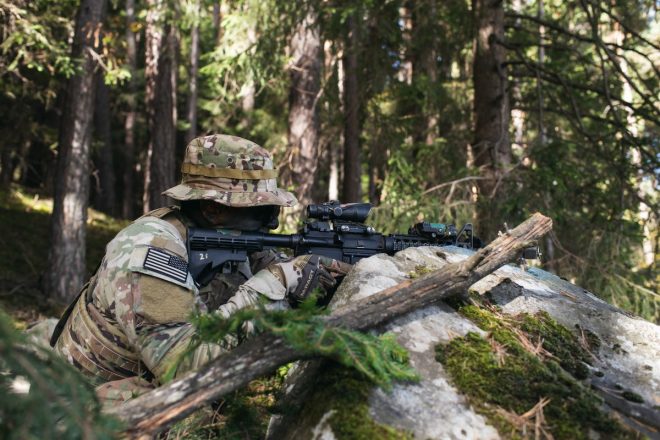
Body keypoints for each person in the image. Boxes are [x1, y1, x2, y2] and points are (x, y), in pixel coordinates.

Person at [51, 134, 348, 406]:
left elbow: (283, 272)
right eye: (261, 210)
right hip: (78, 413)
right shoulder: (149, 248)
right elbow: (185, 367)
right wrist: (278, 283)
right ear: (212, 210)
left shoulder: (233, 241)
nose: (272, 222)